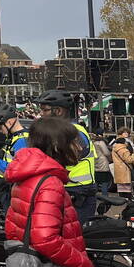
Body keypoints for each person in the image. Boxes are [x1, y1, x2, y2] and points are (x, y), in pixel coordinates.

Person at [5, 117, 95, 267]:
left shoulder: (27, 178)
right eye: (73, 142)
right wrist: (82, 263)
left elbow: (14, 225)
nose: (79, 147)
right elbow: (45, 238)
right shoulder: (50, 183)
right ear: (57, 146)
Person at [36, 91, 97, 223]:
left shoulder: (75, 132)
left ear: (58, 111)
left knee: (74, 235)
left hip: (78, 191)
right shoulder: (57, 132)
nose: (41, 114)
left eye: (45, 110)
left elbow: (71, 157)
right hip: (65, 188)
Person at [112, 128, 134, 198]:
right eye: (124, 132)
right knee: (126, 189)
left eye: (127, 133)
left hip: (120, 168)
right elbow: (128, 159)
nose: (126, 134)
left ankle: (124, 200)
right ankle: (127, 202)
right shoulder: (122, 147)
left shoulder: (116, 144)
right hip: (124, 169)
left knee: (122, 188)